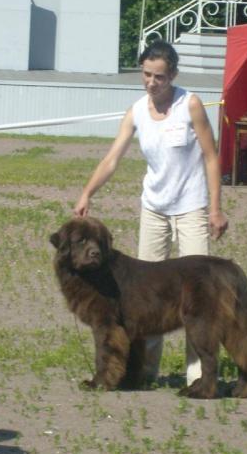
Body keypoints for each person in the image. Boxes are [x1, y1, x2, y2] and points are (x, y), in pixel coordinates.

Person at [74, 39, 228, 387]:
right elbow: (112, 158)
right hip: (154, 209)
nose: (151, 82)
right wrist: (87, 192)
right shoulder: (137, 111)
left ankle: (198, 376)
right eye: (146, 75)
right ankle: (144, 373)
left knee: (197, 297)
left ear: (172, 75)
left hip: (190, 206)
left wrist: (215, 209)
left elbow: (211, 157)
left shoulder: (190, 105)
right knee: (146, 296)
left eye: (159, 77)